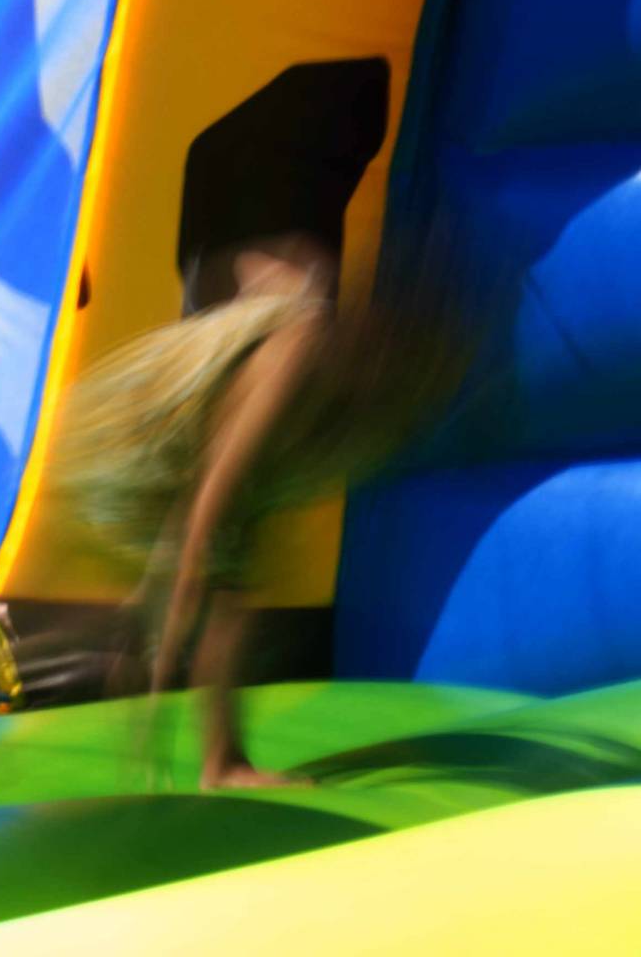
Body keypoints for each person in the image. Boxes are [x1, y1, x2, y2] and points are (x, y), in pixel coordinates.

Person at [49, 60, 473, 787]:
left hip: (226, 284)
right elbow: (204, 515)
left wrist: (160, 632)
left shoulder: (308, 388)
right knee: (216, 555)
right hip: (171, 377)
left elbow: (210, 534)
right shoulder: (298, 348)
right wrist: (157, 680)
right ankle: (208, 743)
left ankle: (222, 759)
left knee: (230, 570)